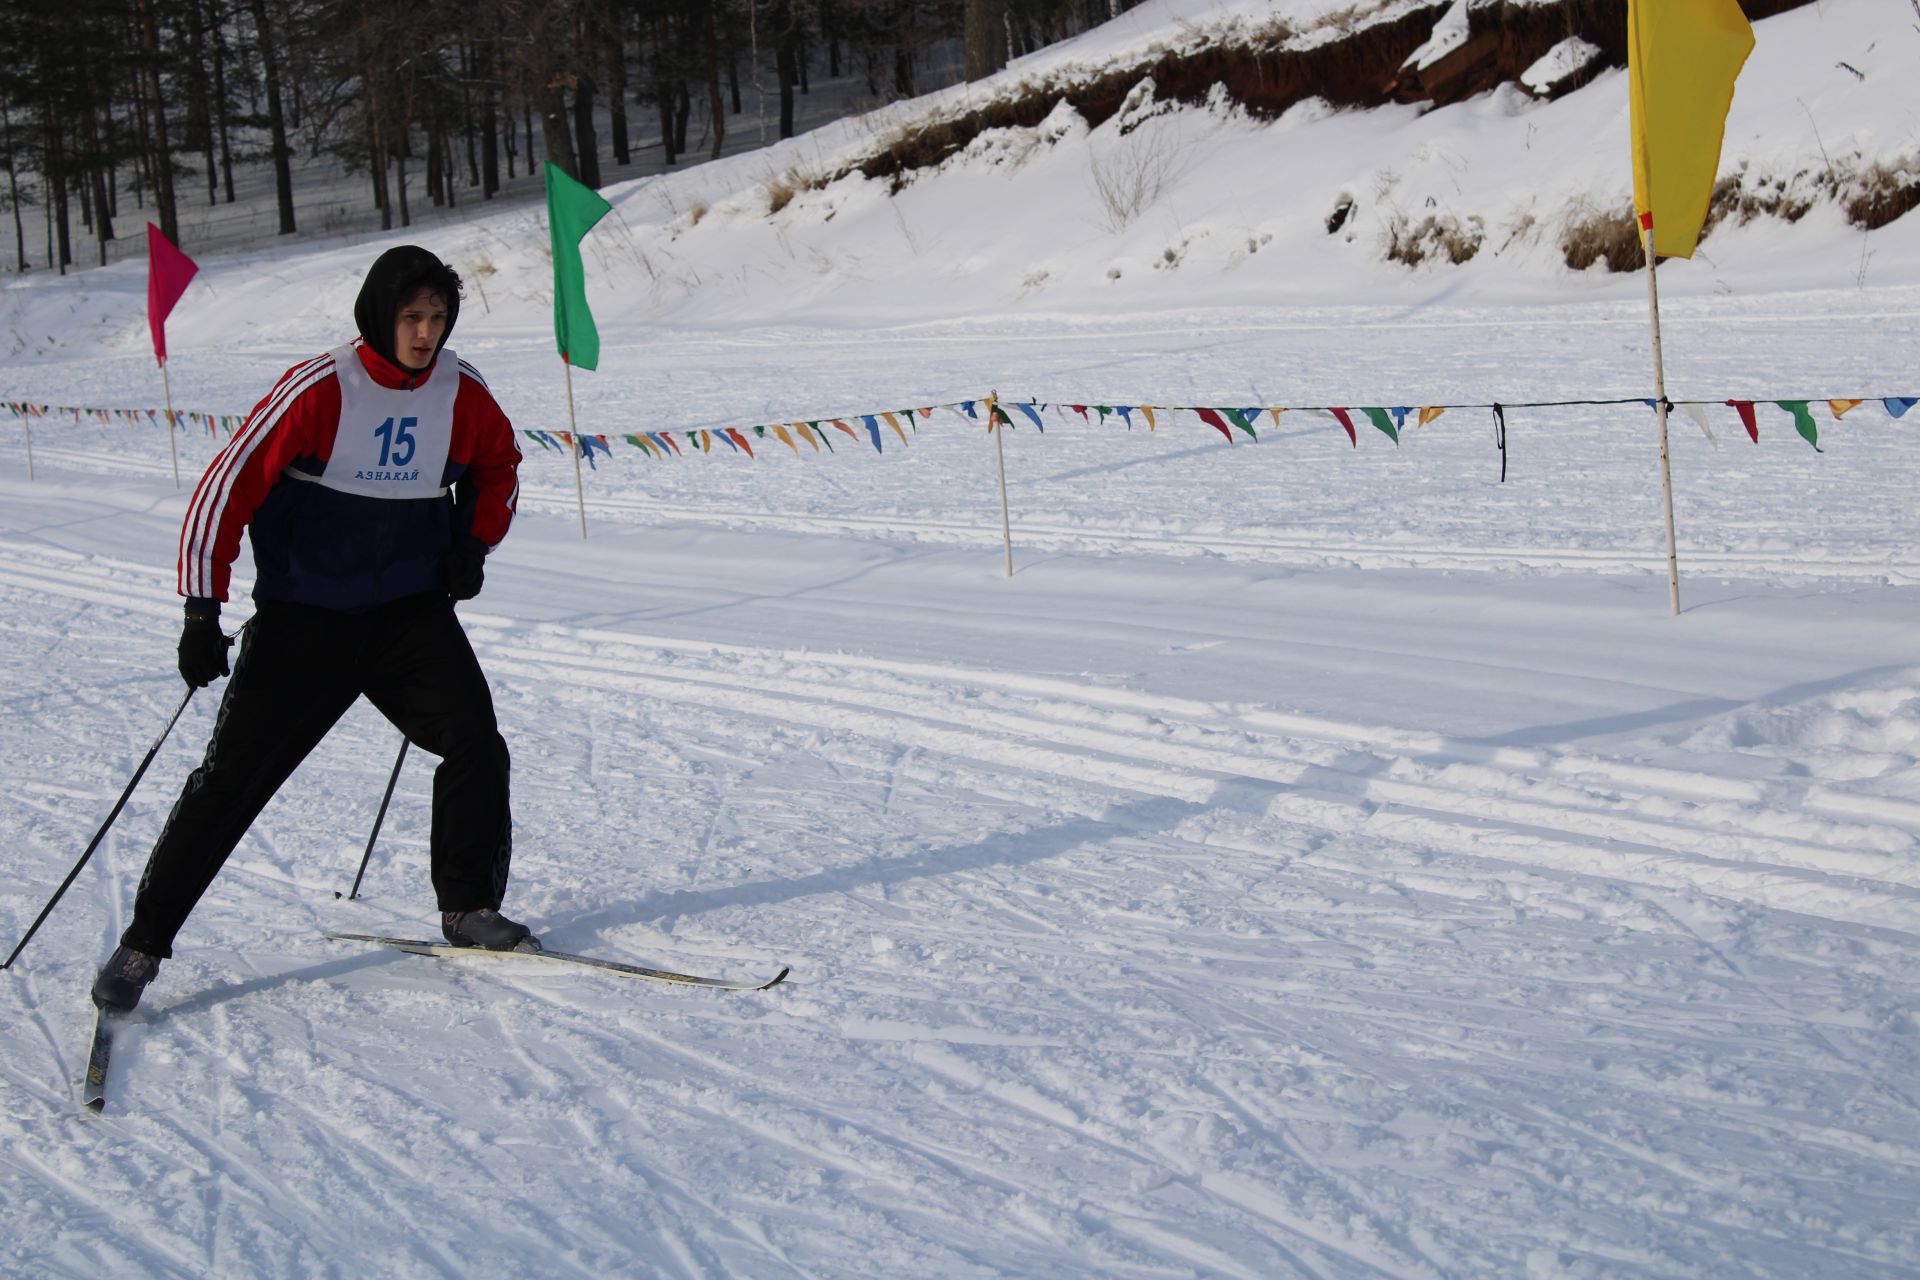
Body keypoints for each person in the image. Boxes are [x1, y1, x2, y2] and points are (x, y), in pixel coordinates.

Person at [92, 245, 531, 1014]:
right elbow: (223, 492)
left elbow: (499, 465)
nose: (425, 333)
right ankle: (142, 945)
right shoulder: (323, 386)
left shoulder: (461, 392)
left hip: (407, 617)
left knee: (474, 742)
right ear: (379, 315)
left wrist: (472, 540)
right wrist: (203, 610)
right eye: (411, 316)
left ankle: (468, 909)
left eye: (437, 318)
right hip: (306, 624)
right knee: (231, 785)